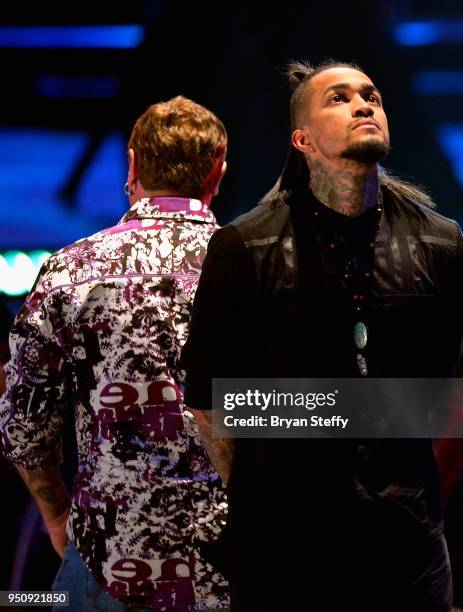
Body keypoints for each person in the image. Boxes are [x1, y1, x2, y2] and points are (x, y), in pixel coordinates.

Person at [182, 60, 463, 611]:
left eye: (372, 96)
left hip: (407, 549)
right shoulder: (245, 246)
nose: (364, 105)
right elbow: (209, 401)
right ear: (302, 139)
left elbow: (445, 394)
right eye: (339, 98)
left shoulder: (442, 242)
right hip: (286, 546)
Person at [0, 96, 230, 611]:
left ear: (132, 164)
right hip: (229, 565)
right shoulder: (257, 271)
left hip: (108, 562)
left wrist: (56, 517)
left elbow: (22, 426)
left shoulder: (69, 271)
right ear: (217, 171)